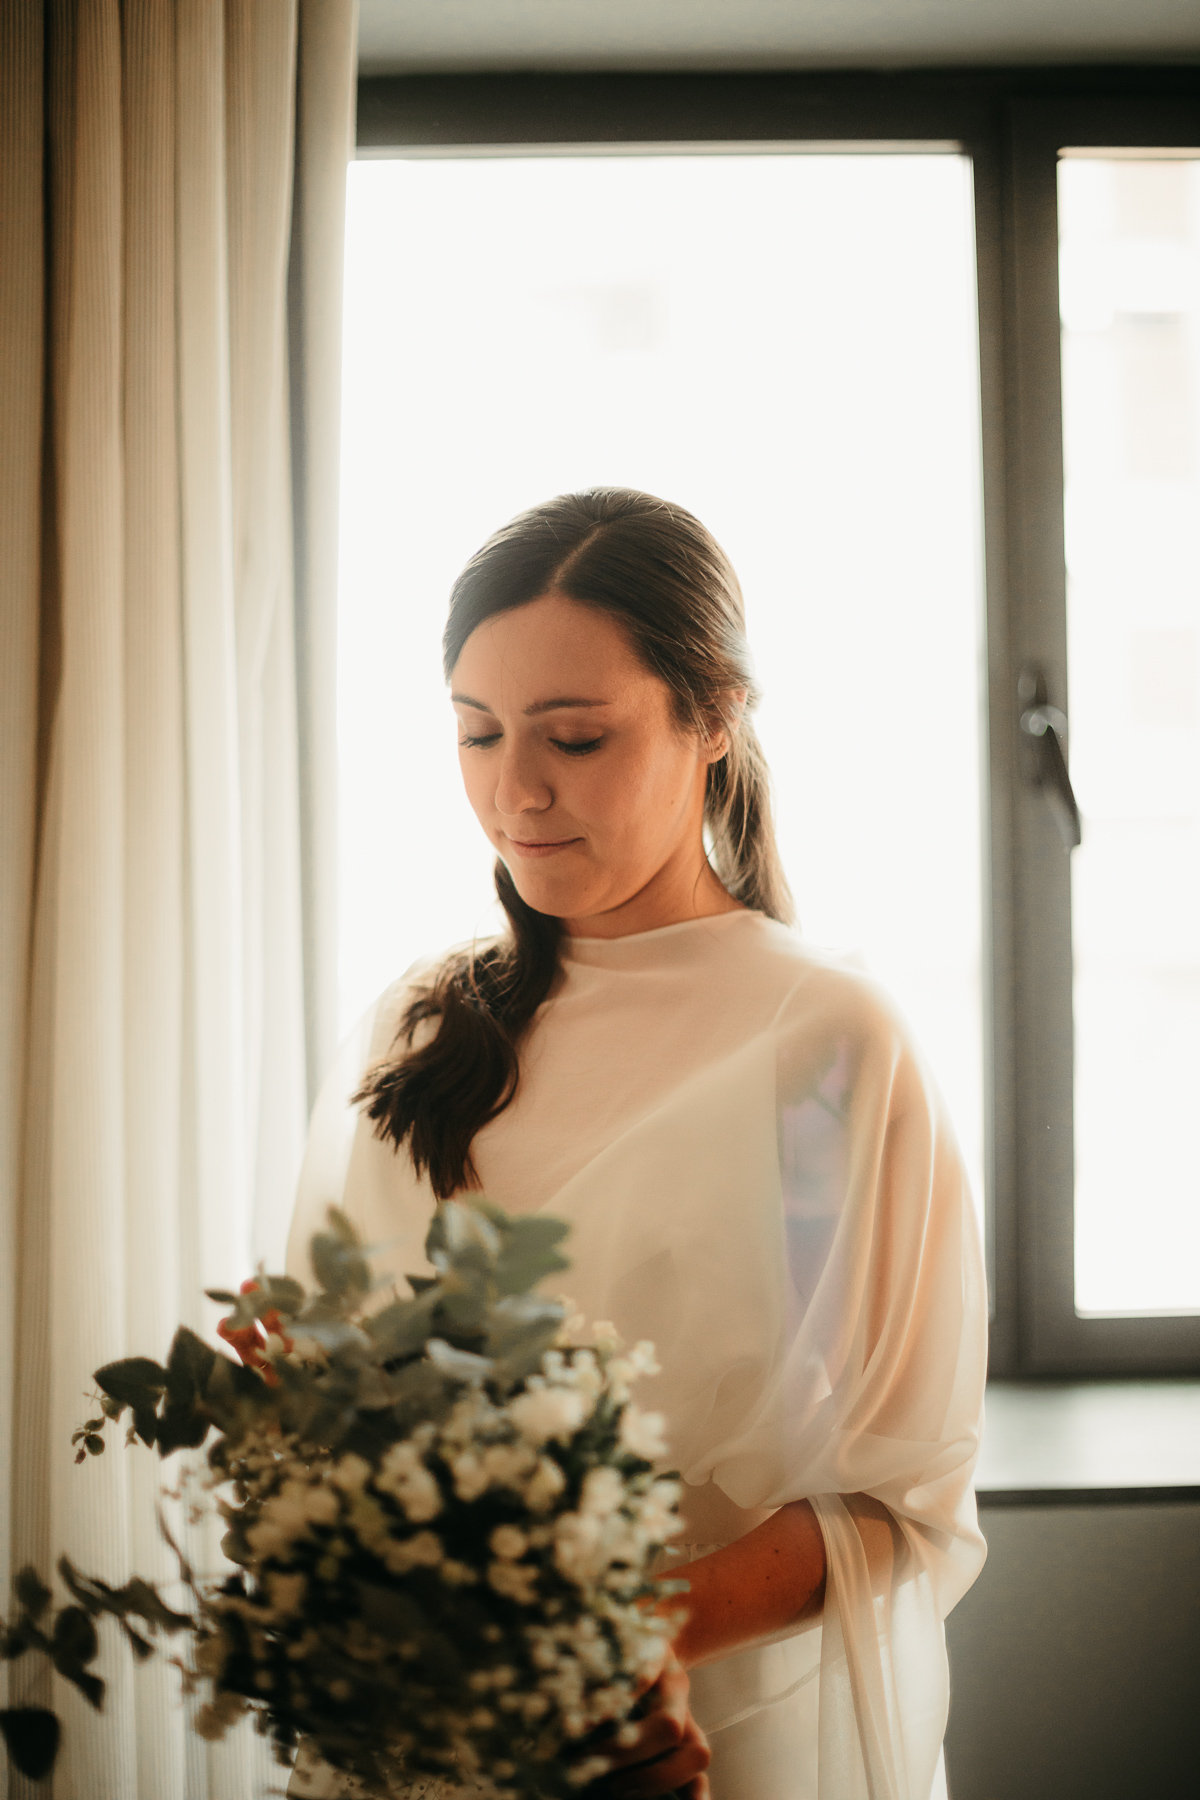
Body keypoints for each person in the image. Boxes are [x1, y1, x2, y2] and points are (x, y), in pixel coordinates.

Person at [288, 488, 988, 1800]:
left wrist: (619, 1646)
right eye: (477, 735)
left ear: (713, 716)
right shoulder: (423, 1020)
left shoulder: (827, 1041)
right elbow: (326, 1403)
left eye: (576, 736)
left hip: (714, 1726)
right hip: (434, 1721)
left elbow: (900, 1498)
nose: (517, 790)